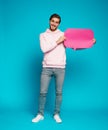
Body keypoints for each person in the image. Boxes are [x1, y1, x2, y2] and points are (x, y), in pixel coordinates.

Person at [32, 13, 66, 123]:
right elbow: (44, 49)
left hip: (60, 68)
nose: (54, 23)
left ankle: (56, 114)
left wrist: (91, 43)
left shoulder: (64, 35)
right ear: (49, 21)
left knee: (59, 93)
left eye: (56, 22)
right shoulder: (43, 35)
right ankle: (40, 114)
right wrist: (58, 41)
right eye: (53, 21)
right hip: (46, 68)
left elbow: (75, 47)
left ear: (59, 24)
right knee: (42, 92)